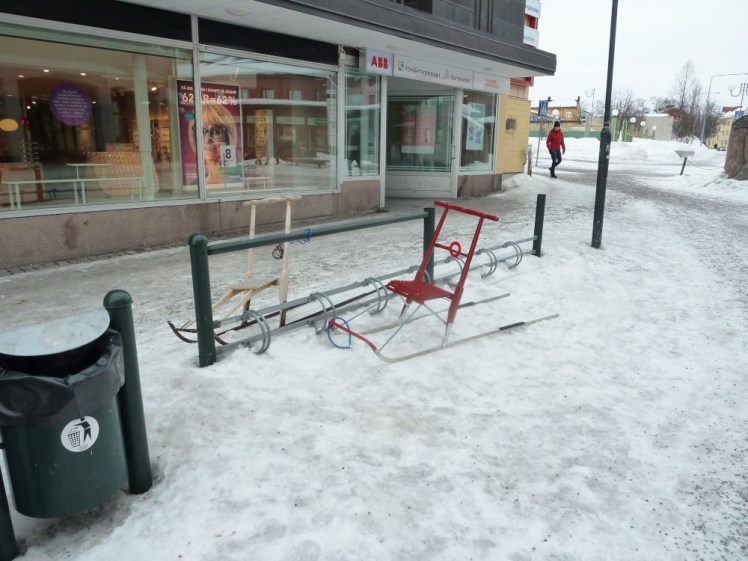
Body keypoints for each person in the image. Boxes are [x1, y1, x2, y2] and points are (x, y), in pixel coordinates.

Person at [189, 103, 238, 184]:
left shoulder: (237, 179)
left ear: (227, 136)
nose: (207, 140)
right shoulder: (195, 185)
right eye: (201, 132)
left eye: (215, 132)